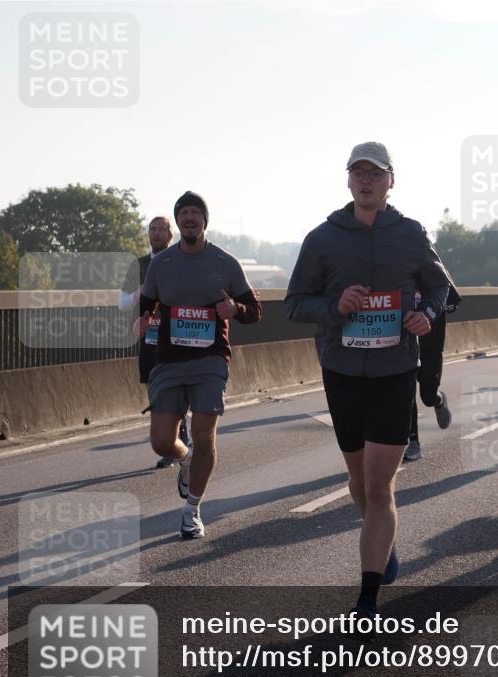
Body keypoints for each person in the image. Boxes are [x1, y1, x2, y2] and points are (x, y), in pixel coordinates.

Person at [285, 142, 451, 625]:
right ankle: (383, 541)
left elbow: (440, 286)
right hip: (341, 372)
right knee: (358, 481)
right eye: (358, 173)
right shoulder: (323, 238)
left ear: (390, 180)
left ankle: (368, 598)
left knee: (380, 486)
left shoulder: (411, 233)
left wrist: (426, 313)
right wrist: (335, 307)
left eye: (374, 174)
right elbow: (295, 303)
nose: (366, 180)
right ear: (348, 180)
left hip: (395, 371)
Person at [137, 191, 262, 539]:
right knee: (162, 442)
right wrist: (144, 318)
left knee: (206, 435)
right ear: (177, 222)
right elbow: (147, 302)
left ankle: (192, 508)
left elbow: (254, 310)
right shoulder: (162, 264)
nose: (190, 218)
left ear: (205, 220)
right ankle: (185, 458)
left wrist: (235, 310)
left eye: (196, 213)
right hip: (170, 361)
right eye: (184, 213)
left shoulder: (224, 262)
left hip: (210, 360)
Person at [120, 216, 192, 468]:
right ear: (148, 234)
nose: (158, 233)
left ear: (171, 235)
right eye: (153, 229)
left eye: (163, 229)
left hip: (178, 337)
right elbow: (122, 303)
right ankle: (175, 443)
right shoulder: (138, 265)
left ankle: (179, 443)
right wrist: (142, 291)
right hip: (150, 340)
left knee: (177, 390)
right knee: (157, 392)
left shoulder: (182, 260)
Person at [404, 281, 461, 461]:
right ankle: (413, 442)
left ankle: (438, 400)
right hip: (404, 344)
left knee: (427, 396)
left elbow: (448, 295)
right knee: (406, 390)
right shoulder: (393, 266)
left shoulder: (431, 267)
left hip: (430, 345)